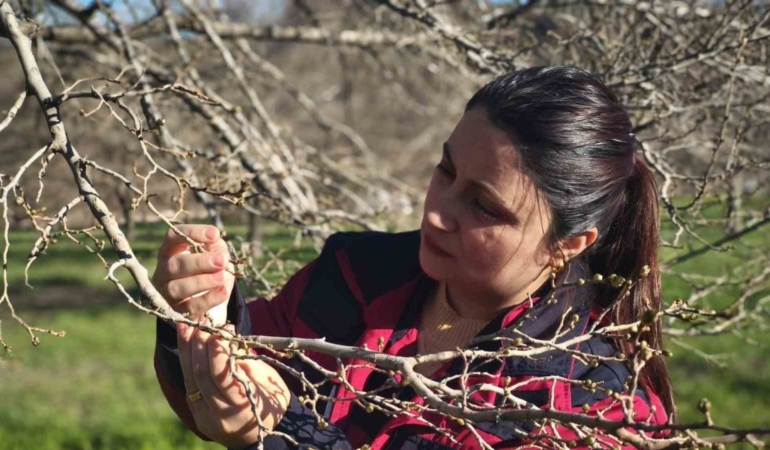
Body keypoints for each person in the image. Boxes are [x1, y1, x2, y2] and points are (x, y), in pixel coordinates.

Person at [152, 66, 673, 449]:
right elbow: (236, 380)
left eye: (484, 206)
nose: (437, 213)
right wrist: (200, 320)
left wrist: (292, 434)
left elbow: (275, 423)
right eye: (445, 171)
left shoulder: (591, 406)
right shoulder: (357, 274)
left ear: (569, 243)